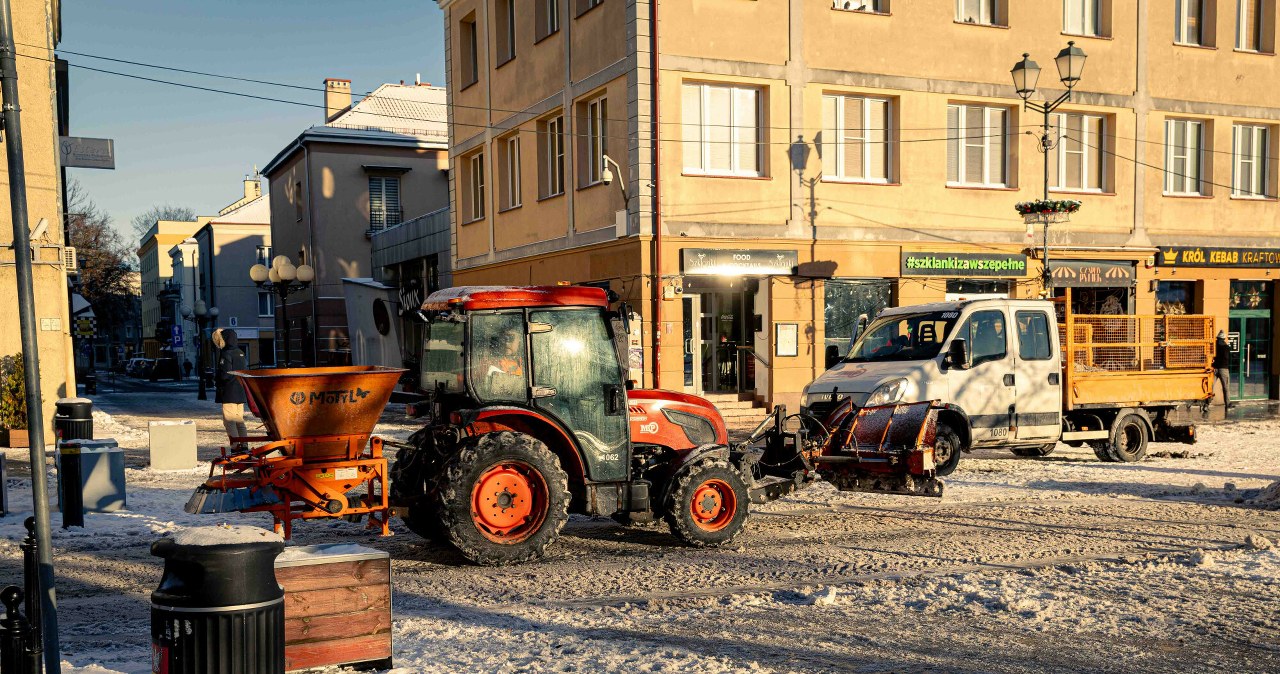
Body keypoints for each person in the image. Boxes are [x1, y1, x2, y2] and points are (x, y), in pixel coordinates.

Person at [212, 328, 249, 447]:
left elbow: (225, 374)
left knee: (229, 422)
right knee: (239, 422)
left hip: (229, 392)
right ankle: (244, 446)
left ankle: (236, 447)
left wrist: (216, 378)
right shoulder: (240, 352)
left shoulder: (226, 353)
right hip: (240, 391)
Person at [1213, 330, 1232, 408]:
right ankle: (1227, 404)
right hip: (1223, 368)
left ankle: (1206, 404)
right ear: (1224, 338)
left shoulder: (1214, 346)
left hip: (1214, 368)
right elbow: (1227, 358)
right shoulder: (1226, 347)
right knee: (1226, 387)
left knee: (1209, 387)